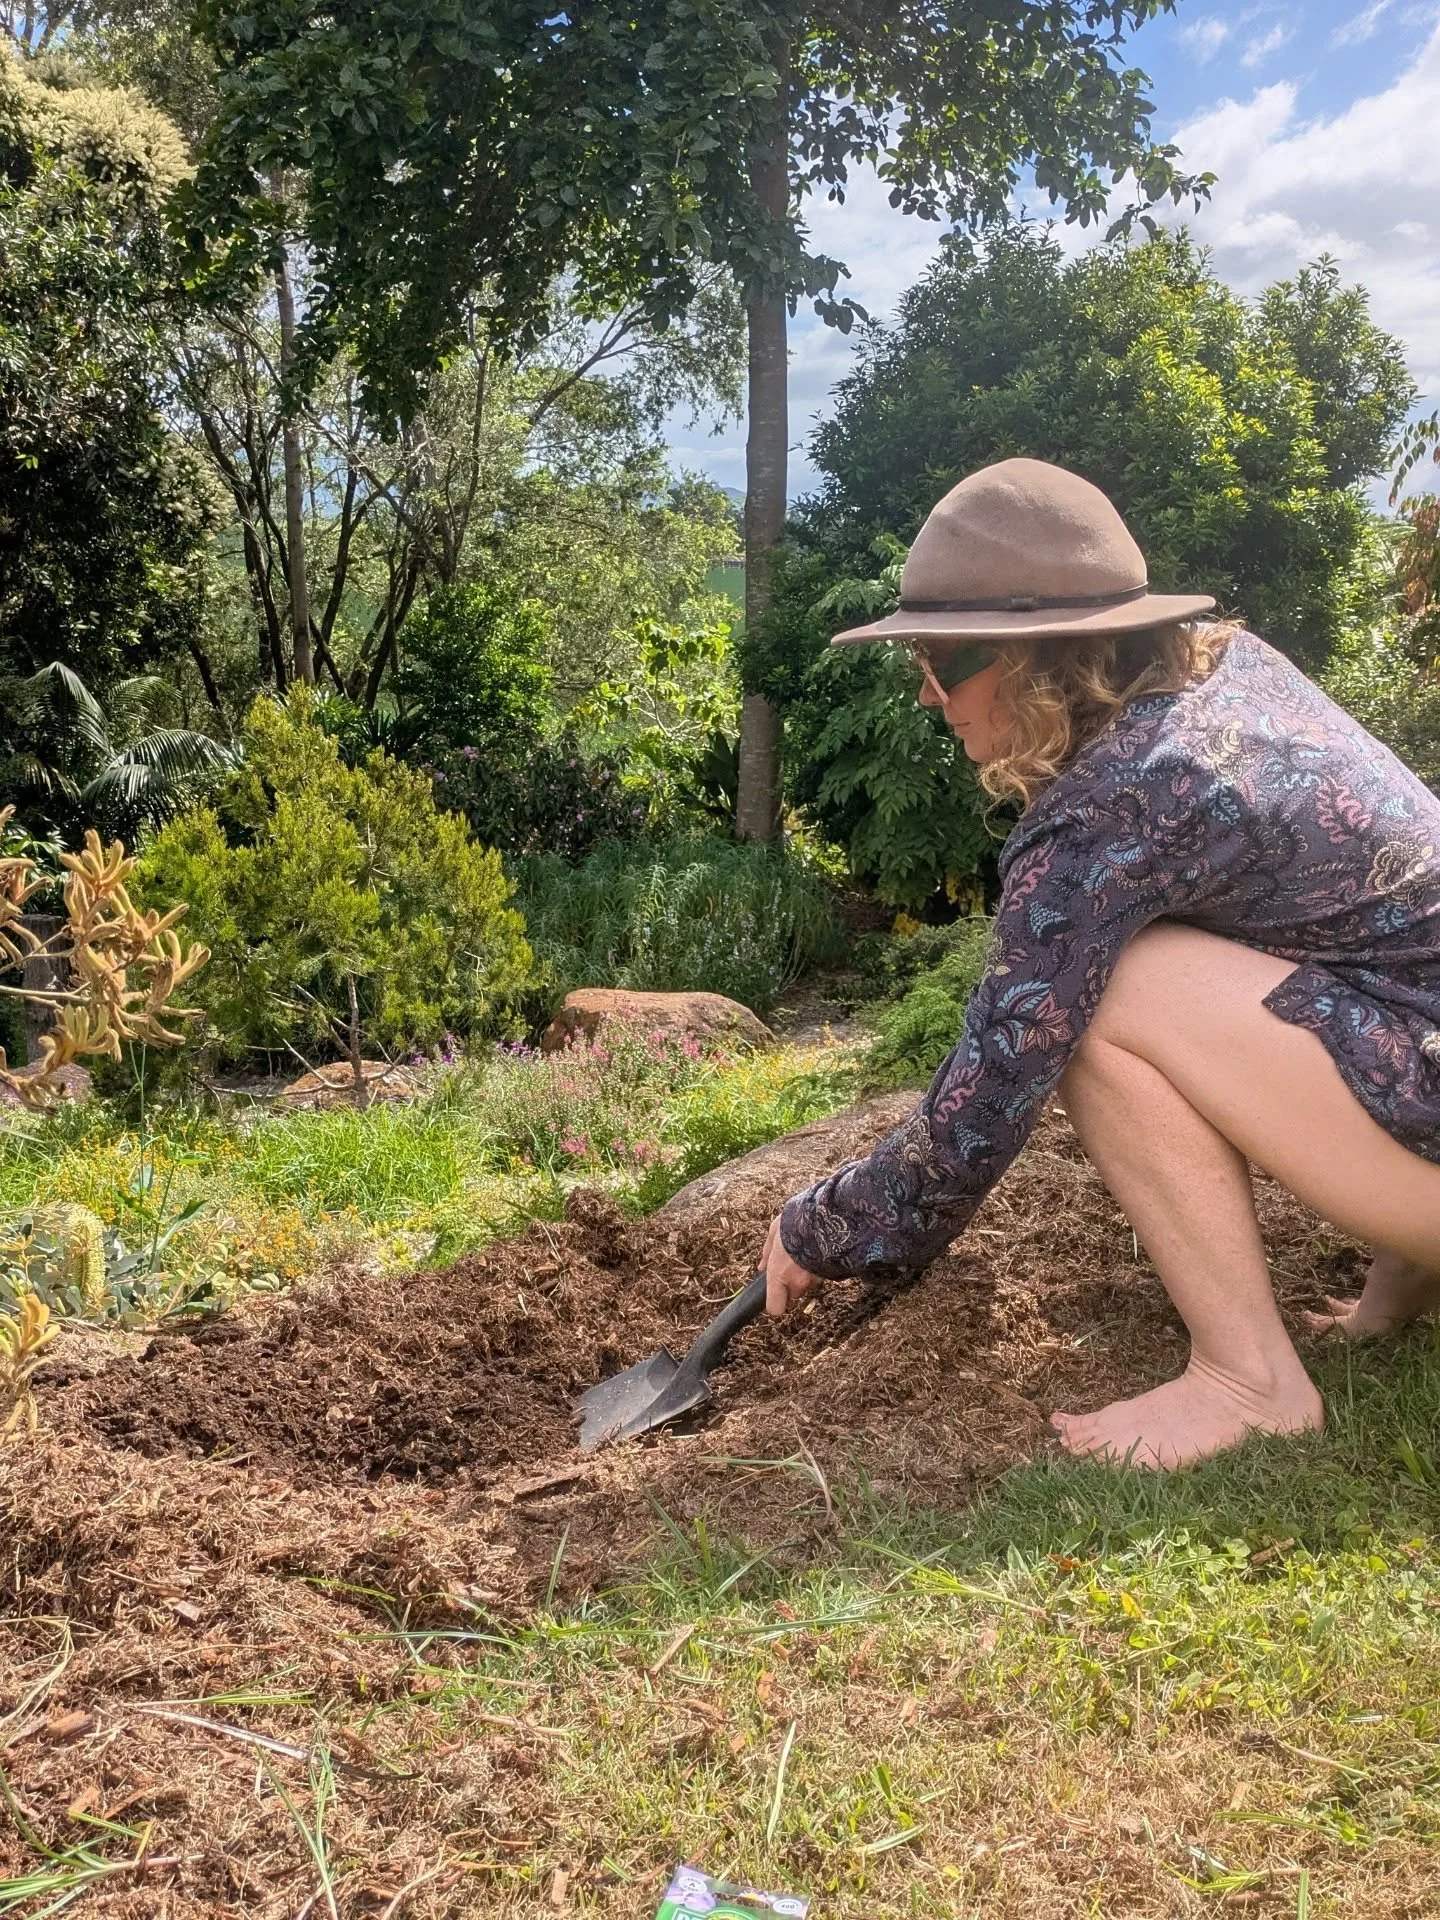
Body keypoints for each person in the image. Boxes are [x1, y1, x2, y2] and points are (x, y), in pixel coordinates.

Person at [759, 457, 1440, 1469]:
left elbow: (986, 1098)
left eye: (942, 658)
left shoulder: (1117, 804)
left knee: (1106, 992)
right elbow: (1387, 959)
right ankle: (1401, 1291)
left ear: (1035, 659)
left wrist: (815, 1226)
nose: (925, 693)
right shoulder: (1233, 675)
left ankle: (1246, 1380)